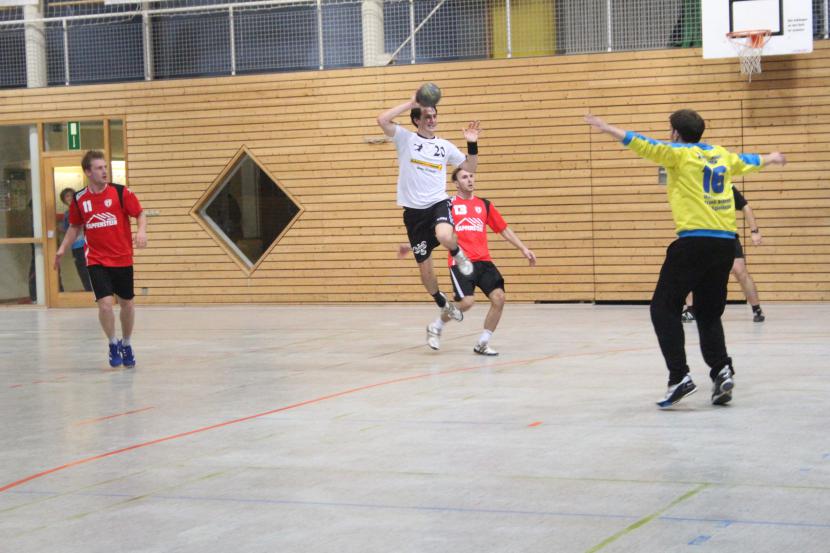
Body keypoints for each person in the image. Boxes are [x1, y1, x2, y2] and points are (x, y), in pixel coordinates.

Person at [585, 109, 785, 408]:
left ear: (675, 133)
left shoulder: (677, 154)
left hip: (694, 241)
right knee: (707, 313)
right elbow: (749, 161)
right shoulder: (720, 154)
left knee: (663, 308)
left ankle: (679, 377)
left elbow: (642, 143)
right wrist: (772, 157)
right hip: (725, 244)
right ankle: (721, 370)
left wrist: (607, 128)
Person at [401, 168, 536, 355]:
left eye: (471, 176)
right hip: (460, 263)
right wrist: (411, 245)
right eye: (464, 177)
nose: (470, 180)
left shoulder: (484, 205)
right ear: (456, 183)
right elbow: (432, 233)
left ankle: (483, 343)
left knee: (499, 298)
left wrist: (523, 248)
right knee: (466, 302)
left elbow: (503, 229)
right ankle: (436, 326)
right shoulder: (446, 206)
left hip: (484, 261)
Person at [377, 90, 480, 330]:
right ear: (417, 120)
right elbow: (382, 119)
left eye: (434, 116)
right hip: (413, 214)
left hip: (437, 204)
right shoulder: (405, 139)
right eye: (427, 116)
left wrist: (472, 143)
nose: (432, 120)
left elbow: (470, 166)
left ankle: (458, 254)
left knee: (445, 236)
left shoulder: (444, 146)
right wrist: (410, 103)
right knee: (425, 272)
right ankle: (441, 301)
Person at [54, 150, 148, 368]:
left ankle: (126, 343)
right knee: (105, 306)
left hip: (122, 257)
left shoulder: (121, 192)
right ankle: (113, 343)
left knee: (127, 304)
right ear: (88, 172)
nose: (104, 171)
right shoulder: (79, 199)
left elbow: (140, 213)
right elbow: (74, 227)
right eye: (99, 168)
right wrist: (62, 248)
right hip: (96, 259)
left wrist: (142, 231)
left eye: (105, 167)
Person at [682, 186, 765, 323]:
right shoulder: (695, 185)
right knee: (690, 271)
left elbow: (745, 207)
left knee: (740, 271)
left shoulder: (726, 186)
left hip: (727, 236)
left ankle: (756, 308)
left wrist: (754, 231)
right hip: (702, 236)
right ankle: (691, 309)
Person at [58, 187, 93, 292]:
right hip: (76, 246)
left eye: (71, 195)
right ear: (64, 200)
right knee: (82, 270)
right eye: (67, 196)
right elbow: (67, 230)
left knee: (91, 269)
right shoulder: (67, 214)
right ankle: (89, 291)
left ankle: (95, 292)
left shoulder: (83, 208)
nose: (70, 198)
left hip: (88, 244)